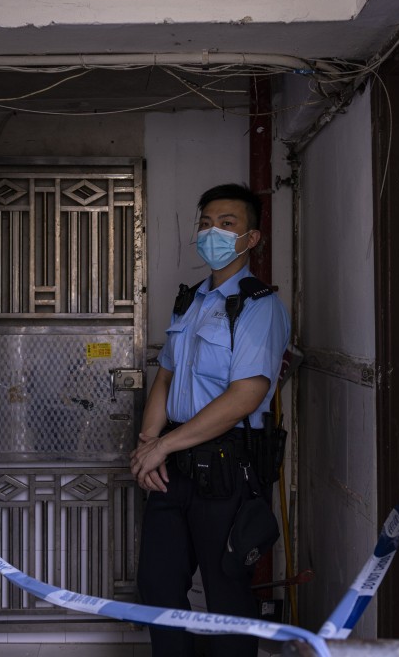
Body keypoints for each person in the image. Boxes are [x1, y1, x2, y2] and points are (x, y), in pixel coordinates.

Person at [130, 183, 290, 657]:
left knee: (227, 597)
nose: (212, 232)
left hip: (227, 467)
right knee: (157, 588)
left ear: (251, 238)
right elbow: (166, 377)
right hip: (172, 462)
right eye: (205, 223)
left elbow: (246, 395)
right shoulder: (190, 300)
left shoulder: (260, 306)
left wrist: (164, 446)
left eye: (227, 224)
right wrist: (148, 442)